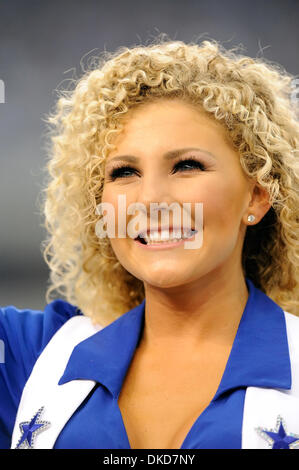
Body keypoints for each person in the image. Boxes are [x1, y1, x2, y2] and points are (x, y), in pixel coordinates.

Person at [0, 36, 299, 450]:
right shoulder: (27, 353)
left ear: (257, 195)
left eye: (186, 165)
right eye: (124, 172)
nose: (150, 200)